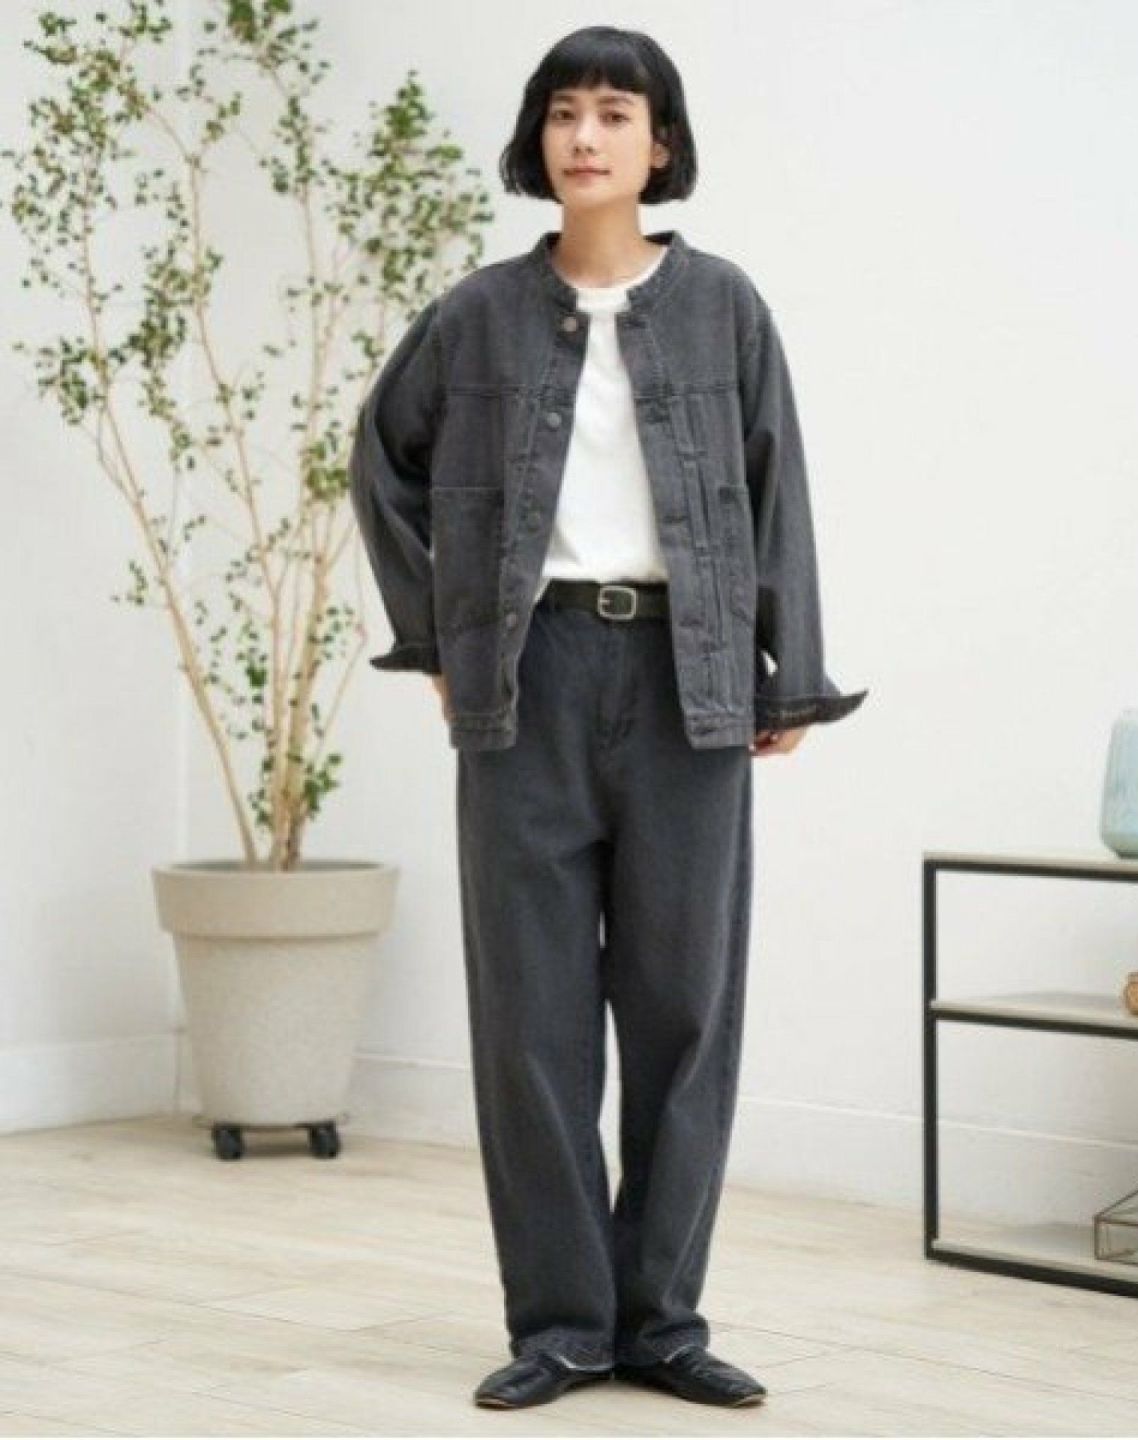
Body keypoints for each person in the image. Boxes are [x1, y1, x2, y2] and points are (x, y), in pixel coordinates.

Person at [350, 24, 868, 1413]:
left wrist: (788, 672)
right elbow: (381, 463)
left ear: (660, 144)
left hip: (688, 678)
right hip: (528, 679)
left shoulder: (723, 307)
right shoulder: (475, 315)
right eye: (564, 113)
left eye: (616, 114)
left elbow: (777, 489)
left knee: (685, 1009)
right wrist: (440, 640)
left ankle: (663, 1322)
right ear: (539, 140)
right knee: (532, 1019)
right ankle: (565, 1324)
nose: (587, 137)